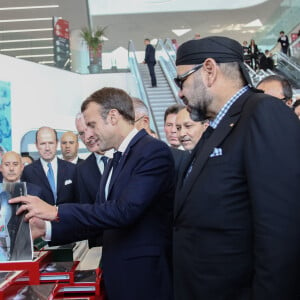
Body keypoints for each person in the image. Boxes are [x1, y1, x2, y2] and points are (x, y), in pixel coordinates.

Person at [11, 87, 175, 300]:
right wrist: (47, 228)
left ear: (113, 117)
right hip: (117, 275)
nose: (88, 134)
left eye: (92, 124)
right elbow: (98, 217)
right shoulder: (115, 158)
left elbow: (124, 211)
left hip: (143, 277)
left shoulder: (152, 151)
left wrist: (56, 211)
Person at [173, 36, 300, 299]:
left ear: (209, 70)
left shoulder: (263, 112)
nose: (180, 93)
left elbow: (281, 230)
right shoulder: (219, 126)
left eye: (181, 81)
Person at [21, 127, 76, 205]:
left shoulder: (73, 169)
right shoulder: (28, 172)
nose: (47, 148)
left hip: (68, 216)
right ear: (36, 145)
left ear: (57, 143)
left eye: (51, 143)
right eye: (43, 144)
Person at [74, 113, 109, 205]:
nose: (86, 138)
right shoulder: (82, 169)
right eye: (81, 133)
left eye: (90, 128)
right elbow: (87, 210)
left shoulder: (127, 154)